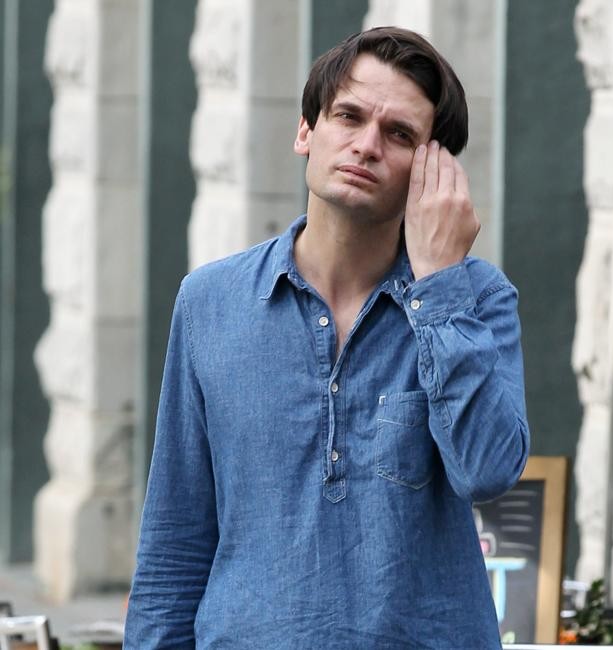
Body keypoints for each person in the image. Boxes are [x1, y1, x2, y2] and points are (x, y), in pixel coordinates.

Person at [124, 26, 529, 649]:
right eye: (349, 116)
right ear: (306, 132)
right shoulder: (210, 301)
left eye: (400, 134)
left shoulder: (476, 299)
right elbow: (175, 541)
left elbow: (487, 471)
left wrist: (439, 286)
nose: (366, 145)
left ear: (432, 172)